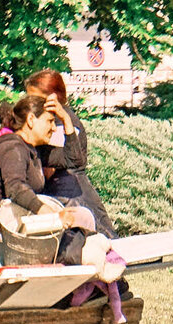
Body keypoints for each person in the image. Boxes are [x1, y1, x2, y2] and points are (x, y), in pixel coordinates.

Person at [24, 69, 116, 236]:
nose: (31, 103)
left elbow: (56, 164)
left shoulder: (64, 122)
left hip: (74, 197)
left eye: (35, 98)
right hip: (65, 195)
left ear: (53, 97)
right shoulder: (52, 120)